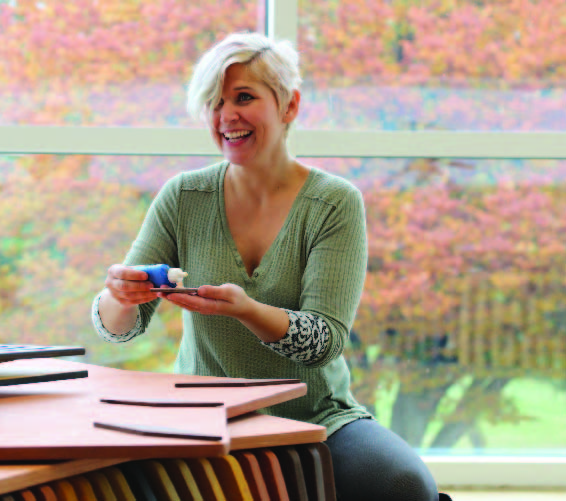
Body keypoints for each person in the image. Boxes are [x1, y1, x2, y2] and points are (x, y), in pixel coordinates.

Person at [91, 32, 441, 501]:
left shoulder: (333, 203)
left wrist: (245, 309)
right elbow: (119, 329)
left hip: (316, 416)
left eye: (244, 97)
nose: (226, 115)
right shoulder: (183, 197)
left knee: (403, 485)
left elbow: (324, 340)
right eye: (214, 102)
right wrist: (119, 296)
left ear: (289, 106)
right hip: (203, 416)